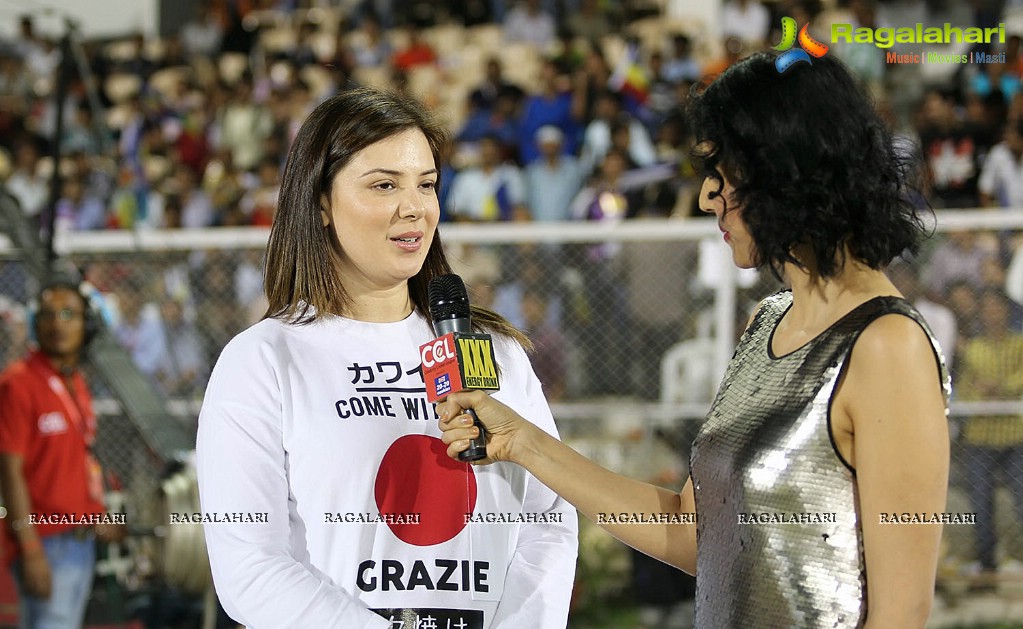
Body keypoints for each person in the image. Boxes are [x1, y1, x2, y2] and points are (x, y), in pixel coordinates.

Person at [438, 52, 951, 627]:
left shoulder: (887, 346)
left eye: (722, 174)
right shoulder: (767, 322)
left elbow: (900, 614)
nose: (709, 197)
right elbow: (693, 534)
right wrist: (520, 441)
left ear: (784, 170)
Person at [196, 87, 577, 629]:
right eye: (383, 185)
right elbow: (250, 567)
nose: (414, 207)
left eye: (426, 184)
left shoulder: (496, 353)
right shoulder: (263, 360)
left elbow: (549, 517)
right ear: (321, 202)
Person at [0, 278, 125, 628]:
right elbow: (9, 473)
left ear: (87, 324)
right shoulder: (18, 384)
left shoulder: (75, 382)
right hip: (46, 542)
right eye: (49, 314)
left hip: (78, 541)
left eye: (68, 313)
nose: (58, 323)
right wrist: (30, 550)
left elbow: (77, 464)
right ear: (35, 324)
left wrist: (97, 516)